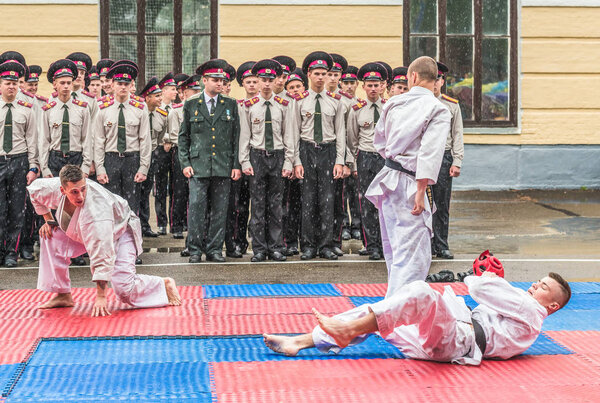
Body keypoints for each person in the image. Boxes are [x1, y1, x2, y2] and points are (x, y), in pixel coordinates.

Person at [264, 271, 572, 366]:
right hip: (444, 341)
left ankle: (343, 333)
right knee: (385, 309)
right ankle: (300, 342)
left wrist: (483, 275)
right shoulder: (525, 312)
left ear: (554, 305)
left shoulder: (532, 311)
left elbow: (477, 288)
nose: (534, 285)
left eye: (543, 287)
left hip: (456, 340)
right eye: (538, 281)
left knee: (422, 293)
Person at [28, 164, 181, 317]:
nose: (80, 196)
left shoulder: (96, 210)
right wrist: (48, 220)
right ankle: (62, 294)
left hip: (121, 230)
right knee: (50, 236)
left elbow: (102, 250)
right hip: (83, 231)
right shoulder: (49, 188)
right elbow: (34, 191)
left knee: (123, 290)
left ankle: (163, 285)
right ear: (62, 190)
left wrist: (101, 296)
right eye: (74, 192)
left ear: (86, 182)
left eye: (83, 189)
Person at [365, 56, 450, 298]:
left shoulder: (393, 104)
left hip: (389, 178)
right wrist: (421, 192)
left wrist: (396, 158)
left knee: (393, 248)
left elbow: (379, 142)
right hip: (413, 183)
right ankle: (399, 310)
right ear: (435, 82)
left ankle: (396, 303)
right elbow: (430, 153)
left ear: (412, 77)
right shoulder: (437, 109)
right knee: (413, 253)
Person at [178, 59, 241, 263]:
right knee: (196, 208)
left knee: (220, 210)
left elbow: (236, 137)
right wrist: (185, 163)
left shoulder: (230, 104)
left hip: (223, 165)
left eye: (222, 81)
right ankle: (195, 249)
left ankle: (215, 249)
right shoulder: (191, 104)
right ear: (204, 80)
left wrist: (235, 165)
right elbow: (184, 136)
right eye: (215, 80)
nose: (219, 84)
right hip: (198, 166)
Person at [291, 51, 346, 261]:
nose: (321, 77)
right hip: (306, 150)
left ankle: (325, 245)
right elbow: (293, 133)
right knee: (307, 201)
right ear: (309, 75)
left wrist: (340, 160)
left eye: (324, 73)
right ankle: (307, 245)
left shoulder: (335, 101)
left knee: (327, 200)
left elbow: (340, 132)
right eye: (317, 73)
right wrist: (296, 161)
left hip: (328, 151)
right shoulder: (299, 101)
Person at [239, 59, 294, 262]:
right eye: (263, 79)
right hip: (257, 155)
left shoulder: (284, 105)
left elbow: (289, 135)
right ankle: (259, 249)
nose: (267, 84)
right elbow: (245, 136)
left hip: (277, 155)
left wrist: (289, 162)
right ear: (258, 81)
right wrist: (245, 161)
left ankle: (276, 247)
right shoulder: (249, 106)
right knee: (258, 204)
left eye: (271, 79)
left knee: (276, 205)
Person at [94, 60, 151, 218]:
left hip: (132, 159)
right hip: (111, 159)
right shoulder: (102, 108)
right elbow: (99, 140)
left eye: (127, 83)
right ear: (112, 84)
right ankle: (113, 239)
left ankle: (131, 240)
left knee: (131, 205)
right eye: (119, 83)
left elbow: (145, 140)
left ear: (131, 85)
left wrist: (143, 167)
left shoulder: (140, 108)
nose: (123, 87)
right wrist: (100, 168)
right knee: (110, 203)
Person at [347, 62, 388, 261]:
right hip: (365, 157)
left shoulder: (390, 108)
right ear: (363, 87)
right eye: (369, 85)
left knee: (386, 202)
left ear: (383, 86)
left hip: (386, 159)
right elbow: (352, 140)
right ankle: (371, 245)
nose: (373, 89)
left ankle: (385, 243)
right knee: (368, 203)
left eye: (376, 85)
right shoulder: (357, 110)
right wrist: (354, 164)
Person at [0, 60, 39, 268]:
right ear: (0, 84)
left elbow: (32, 141)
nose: (11, 87)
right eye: (7, 82)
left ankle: (11, 254)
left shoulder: (27, 109)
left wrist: (33, 166)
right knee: (0, 210)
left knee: (17, 211)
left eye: (15, 83)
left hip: (19, 161)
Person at [431, 61, 464, 260]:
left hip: (443, 157)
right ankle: (424, 244)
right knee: (422, 204)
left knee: (441, 204)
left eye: (438, 79)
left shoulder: (451, 105)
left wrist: (457, 161)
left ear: (442, 81)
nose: (434, 83)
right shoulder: (417, 103)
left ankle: (441, 244)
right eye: (431, 79)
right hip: (422, 157)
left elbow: (457, 133)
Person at [281, 68, 307, 256]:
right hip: (286, 160)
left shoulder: (307, 104)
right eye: (291, 87)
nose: (295, 90)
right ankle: (289, 241)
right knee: (287, 205)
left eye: (298, 86)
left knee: (304, 203)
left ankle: (303, 240)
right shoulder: (282, 105)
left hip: (304, 159)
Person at [137, 76, 165, 238]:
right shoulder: (138, 112)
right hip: (137, 155)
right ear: (147, 98)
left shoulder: (162, 115)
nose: (160, 99)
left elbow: (159, 138)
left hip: (152, 155)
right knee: (134, 192)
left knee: (146, 191)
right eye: (157, 96)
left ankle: (145, 225)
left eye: (161, 95)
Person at [154, 72, 179, 237]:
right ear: (163, 91)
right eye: (172, 89)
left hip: (175, 150)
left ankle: (175, 223)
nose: (175, 92)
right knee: (161, 188)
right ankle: (161, 223)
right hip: (161, 150)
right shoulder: (157, 108)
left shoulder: (177, 108)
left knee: (176, 188)